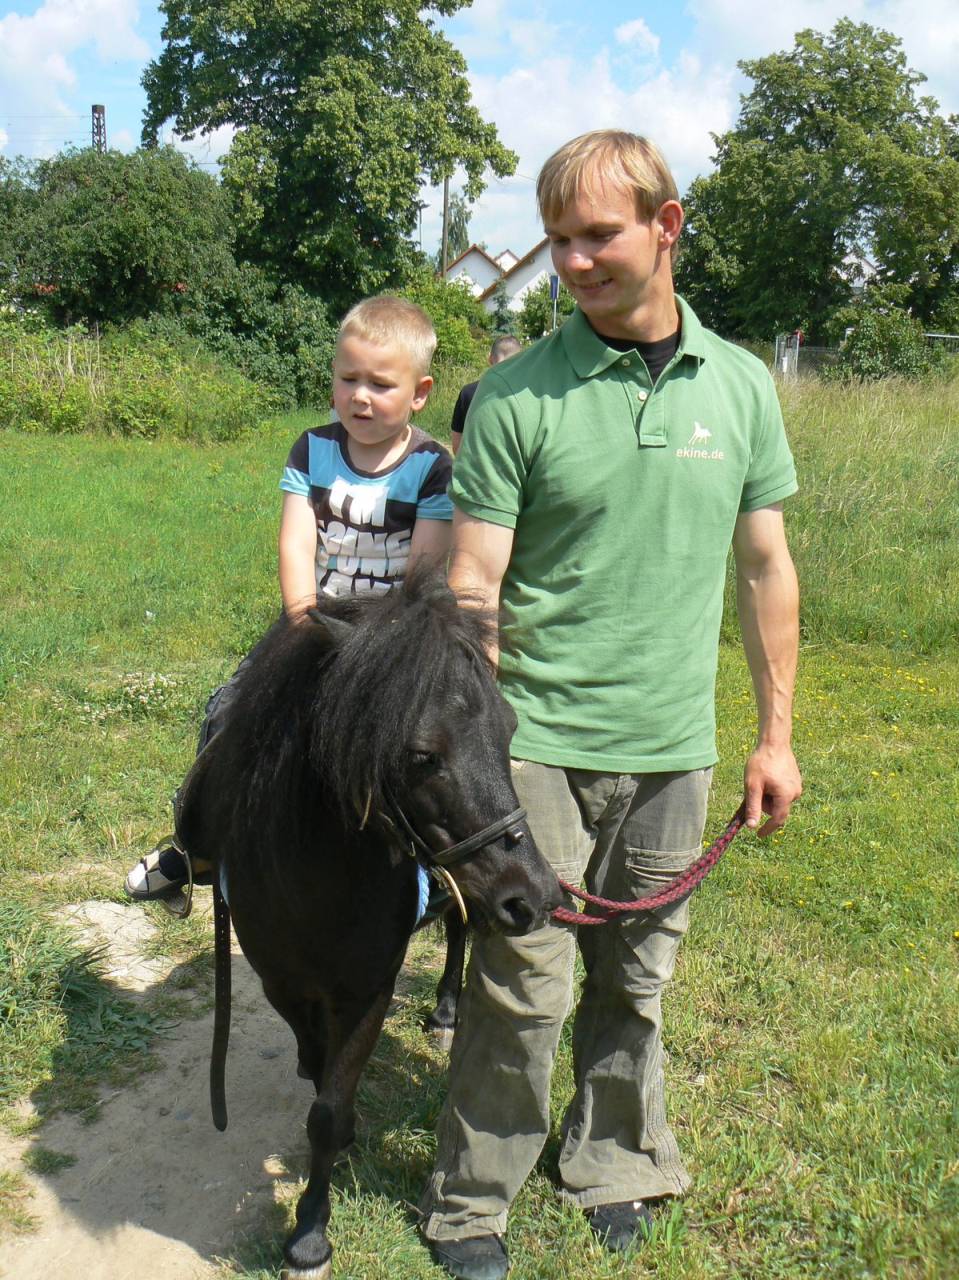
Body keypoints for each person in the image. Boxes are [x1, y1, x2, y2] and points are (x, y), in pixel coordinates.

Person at [419, 129, 802, 1280]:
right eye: (559, 239)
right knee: (520, 977)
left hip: (675, 745)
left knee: (640, 974)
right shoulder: (521, 396)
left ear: (667, 225)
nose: (573, 261)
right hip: (535, 738)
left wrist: (775, 736)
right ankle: (472, 1194)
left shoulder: (739, 385)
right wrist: (474, 749)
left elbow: (765, 565)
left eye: (599, 234)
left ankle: (617, 1158)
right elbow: (474, 583)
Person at [124, 295, 453, 905]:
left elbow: (424, 574)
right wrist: (304, 620)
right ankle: (199, 844)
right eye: (348, 378)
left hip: (394, 640)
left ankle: (435, 870)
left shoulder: (432, 467)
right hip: (313, 621)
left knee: (436, 744)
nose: (360, 396)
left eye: (380, 384)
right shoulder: (313, 450)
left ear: (420, 392)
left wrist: (376, 654)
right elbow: (297, 543)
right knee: (228, 713)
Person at [450, 335, 523, 455]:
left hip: (473, 470)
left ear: (490, 360)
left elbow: (457, 446)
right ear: (521, 361)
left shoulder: (468, 393)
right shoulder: (526, 396)